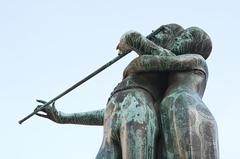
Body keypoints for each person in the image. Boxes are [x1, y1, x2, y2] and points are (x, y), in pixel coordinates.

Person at [35, 24, 184, 159]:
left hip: (139, 115)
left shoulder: (170, 60)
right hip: (117, 117)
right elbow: (111, 113)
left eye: (160, 32)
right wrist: (63, 117)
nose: (152, 34)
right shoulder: (150, 62)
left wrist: (130, 38)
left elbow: (139, 41)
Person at [123, 27, 219, 158]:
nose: (178, 39)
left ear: (196, 46)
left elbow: (163, 60)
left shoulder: (197, 59)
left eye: (185, 37)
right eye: (178, 37)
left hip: (186, 107)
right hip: (171, 108)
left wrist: (134, 39)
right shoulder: (170, 77)